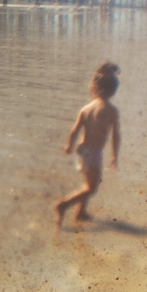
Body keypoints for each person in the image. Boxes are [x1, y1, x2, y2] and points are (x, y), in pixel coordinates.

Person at [55, 62, 121, 227]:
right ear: (113, 91)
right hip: (94, 152)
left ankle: (81, 213)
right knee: (92, 188)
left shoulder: (86, 109)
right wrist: (114, 156)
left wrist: (69, 147)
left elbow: (74, 131)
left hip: (82, 150)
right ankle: (64, 204)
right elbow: (115, 136)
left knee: (88, 183)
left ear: (95, 88)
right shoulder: (111, 111)